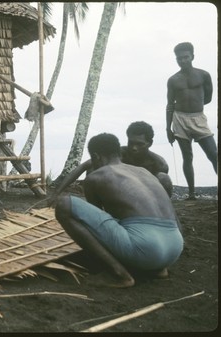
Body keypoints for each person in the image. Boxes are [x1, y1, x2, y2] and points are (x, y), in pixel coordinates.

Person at [54, 133, 183, 288]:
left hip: (145, 249)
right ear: (118, 153)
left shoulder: (96, 177)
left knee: (63, 204)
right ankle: (159, 269)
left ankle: (119, 275)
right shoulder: (144, 172)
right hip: (175, 247)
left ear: (96, 156)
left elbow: (97, 224)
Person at [48, 121, 173, 205]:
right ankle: (96, 208)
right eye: (131, 143)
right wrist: (57, 193)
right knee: (93, 170)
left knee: (164, 178)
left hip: (145, 199)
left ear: (149, 143)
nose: (134, 148)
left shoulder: (158, 164)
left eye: (139, 144)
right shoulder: (119, 154)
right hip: (119, 194)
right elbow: (82, 167)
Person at [166, 42, 218, 200]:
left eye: (185, 57)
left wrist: (194, 107)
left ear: (192, 57)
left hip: (198, 118)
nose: (182, 61)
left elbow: (208, 98)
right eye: (179, 59)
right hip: (179, 119)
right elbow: (169, 105)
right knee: (187, 157)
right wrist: (168, 129)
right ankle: (191, 193)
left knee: (214, 154)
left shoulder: (203, 75)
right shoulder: (173, 80)